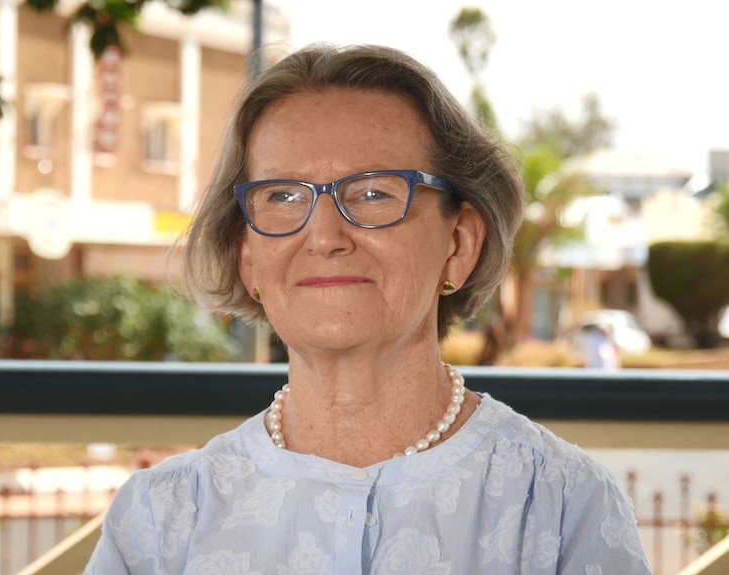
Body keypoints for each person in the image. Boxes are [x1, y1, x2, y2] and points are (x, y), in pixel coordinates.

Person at [84, 44, 650, 574]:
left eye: (375, 193)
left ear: (459, 245)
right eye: (282, 196)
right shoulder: (160, 523)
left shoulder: (562, 507)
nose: (324, 235)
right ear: (247, 257)